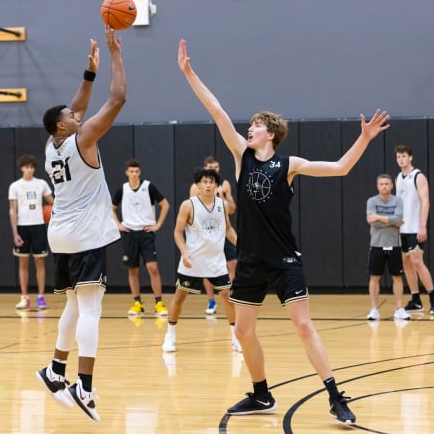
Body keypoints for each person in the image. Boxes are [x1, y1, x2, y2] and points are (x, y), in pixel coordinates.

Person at [177, 38, 389, 424]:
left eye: (256, 125)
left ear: (270, 133)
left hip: (284, 259)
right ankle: (261, 395)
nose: (250, 128)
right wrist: (190, 74)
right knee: (243, 331)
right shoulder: (241, 157)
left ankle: (334, 395)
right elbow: (216, 109)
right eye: (251, 126)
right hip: (252, 260)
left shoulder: (288, 163)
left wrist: (364, 138)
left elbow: (340, 167)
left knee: (303, 325)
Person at [35, 26, 126, 422]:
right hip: (85, 231)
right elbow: (118, 98)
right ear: (64, 126)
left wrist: (89, 73)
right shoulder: (84, 139)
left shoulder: (52, 145)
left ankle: (56, 368)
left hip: (61, 232)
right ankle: (84, 387)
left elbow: (77, 107)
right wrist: (115, 54)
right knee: (91, 308)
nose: (78, 114)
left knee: (73, 303)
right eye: (72, 116)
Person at [162, 168, 239, 353]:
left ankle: (236, 338)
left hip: (216, 262)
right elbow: (177, 232)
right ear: (198, 185)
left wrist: (240, 245)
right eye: (205, 182)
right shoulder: (188, 205)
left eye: (212, 182)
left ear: (216, 186)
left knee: (229, 298)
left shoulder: (222, 205)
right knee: (180, 297)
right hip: (193, 261)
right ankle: (170, 336)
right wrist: (184, 251)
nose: (208, 185)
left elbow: (228, 229)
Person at [112, 158, 170, 317]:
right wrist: (118, 223)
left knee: (153, 267)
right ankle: (137, 302)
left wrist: (157, 225)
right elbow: (111, 208)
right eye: (131, 171)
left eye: (137, 171)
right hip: (129, 233)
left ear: (140, 172)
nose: (134, 174)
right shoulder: (122, 189)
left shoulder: (148, 187)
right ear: (126, 173)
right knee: (133, 269)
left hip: (146, 233)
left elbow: (165, 204)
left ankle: (159, 302)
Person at [394, 145, 434, 314]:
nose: (401, 159)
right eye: (399, 157)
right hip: (402, 230)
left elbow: (426, 201)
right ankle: (416, 299)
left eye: (404, 156)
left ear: (410, 157)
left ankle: (433, 298)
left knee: (417, 262)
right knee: (406, 263)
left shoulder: (418, 176)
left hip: (415, 228)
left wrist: (422, 225)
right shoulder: (399, 177)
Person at [189, 156, 237, 315]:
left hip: (223, 230)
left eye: (216, 167)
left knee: (232, 264)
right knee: (206, 268)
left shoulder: (225, 185)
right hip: (206, 234)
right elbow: (195, 211)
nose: (213, 169)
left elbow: (232, 209)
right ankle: (211, 300)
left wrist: (221, 196)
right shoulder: (196, 188)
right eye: (210, 167)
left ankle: (233, 296)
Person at [9, 154, 55, 310]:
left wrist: (53, 211)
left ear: (34, 168)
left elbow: (53, 202)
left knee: (40, 262)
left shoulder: (41, 184)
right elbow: (12, 210)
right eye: (26, 167)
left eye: (31, 167)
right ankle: (24, 297)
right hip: (22, 227)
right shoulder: (15, 186)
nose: (29, 170)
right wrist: (15, 233)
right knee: (23, 263)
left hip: (39, 226)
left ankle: (41, 297)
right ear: (22, 168)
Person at [365, 174, 410, 321]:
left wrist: (378, 217)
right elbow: (372, 222)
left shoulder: (398, 201)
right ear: (377, 186)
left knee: (397, 277)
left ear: (392, 186)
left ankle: (399, 309)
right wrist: (392, 221)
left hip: (395, 245)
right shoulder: (371, 201)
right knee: (374, 277)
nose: (384, 186)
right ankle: (374, 310)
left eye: (387, 184)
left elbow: (399, 219)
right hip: (376, 245)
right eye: (381, 184)